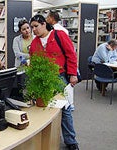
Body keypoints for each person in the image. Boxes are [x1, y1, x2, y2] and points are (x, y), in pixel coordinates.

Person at [29, 14, 79, 150]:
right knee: (44, 109)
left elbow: (71, 54)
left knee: (65, 109)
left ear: (44, 24)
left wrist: (73, 74)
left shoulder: (59, 35)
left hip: (60, 77)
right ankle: (47, 139)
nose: (34, 30)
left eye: (36, 26)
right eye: (32, 27)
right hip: (43, 81)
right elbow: (33, 63)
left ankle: (71, 141)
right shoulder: (34, 43)